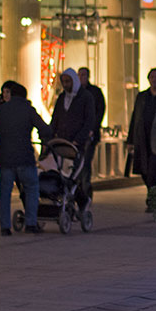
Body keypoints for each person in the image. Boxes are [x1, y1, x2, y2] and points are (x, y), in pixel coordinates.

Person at [0, 81, 49, 235]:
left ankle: (5, 227)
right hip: (24, 157)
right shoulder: (28, 109)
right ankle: (30, 223)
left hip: (5, 159)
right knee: (31, 188)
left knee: (5, 193)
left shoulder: (2, 110)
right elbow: (43, 127)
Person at [49, 68, 96, 210]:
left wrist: (79, 139)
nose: (65, 84)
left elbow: (89, 121)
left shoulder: (86, 97)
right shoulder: (62, 98)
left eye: (68, 81)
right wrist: (50, 136)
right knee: (61, 176)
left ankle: (82, 201)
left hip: (77, 145)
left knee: (75, 177)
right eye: (63, 81)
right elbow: (55, 120)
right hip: (62, 144)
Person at [126, 68, 156, 210]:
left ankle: (151, 200)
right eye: (152, 77)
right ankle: (152, 194)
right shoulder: (142, 97)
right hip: (142, 138)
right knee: (144, 171)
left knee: (153, 170)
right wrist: (130, 140)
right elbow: (135, 117)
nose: (154, 79)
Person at [76, 66, 105, 207]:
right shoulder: (75, 93)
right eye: (79, 75)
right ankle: (79, 192)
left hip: (89, 135)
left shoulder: (95, 92)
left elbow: (99, 111)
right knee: (77, 165)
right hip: (77, 135)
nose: (81, 77)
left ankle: (86, 192)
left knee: (85, 164)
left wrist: (93, 128)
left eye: (83, 75)